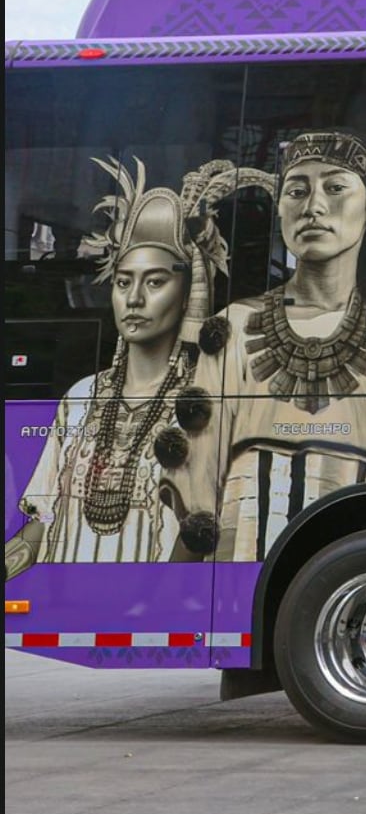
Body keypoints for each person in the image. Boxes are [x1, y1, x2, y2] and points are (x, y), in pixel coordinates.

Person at [163, 129, 366, 562]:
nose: (313, 207)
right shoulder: (231, 330)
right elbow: (199, 486)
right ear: (280, 208)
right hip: (239, 567)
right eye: (297, 191)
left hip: (364, 566)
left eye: (335, 187)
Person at [8, 158, 243, 574]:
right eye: (123, 282)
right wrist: (16, 555)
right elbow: (44, 518)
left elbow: (206, 533)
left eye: (154, 282)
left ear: (188, 294)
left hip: (150, 616)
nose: (134, 298)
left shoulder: (204, 404)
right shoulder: (81, 397)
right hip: (68, 607)